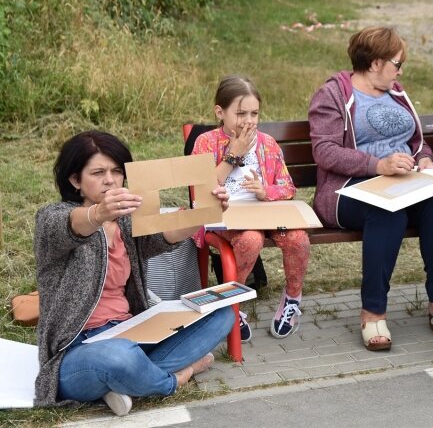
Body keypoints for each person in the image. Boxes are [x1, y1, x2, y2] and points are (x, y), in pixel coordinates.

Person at [34, 131, 234, 416]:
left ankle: (125, 383)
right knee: (119, 358)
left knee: (221, 313)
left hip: (133, 332)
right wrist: (99, 214)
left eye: (116, 172)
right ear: (75, 180)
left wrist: (205, 212)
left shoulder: (126, 222)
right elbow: (72, 225)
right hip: (78, 350)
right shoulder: (51, 219)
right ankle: (176, 377)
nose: (110, 180)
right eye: (98, 172)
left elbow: (165, 236)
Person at [308, 26, 433, 351]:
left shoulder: (396, 92)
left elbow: (416, 142)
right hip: (349, 190)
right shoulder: (332, 94)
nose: (400, 71)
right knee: (387, 212)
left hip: (402, 183)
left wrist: (426, 161)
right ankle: (373, 310)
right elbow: (326, 151)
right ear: (376, 63)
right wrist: (379, 166)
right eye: (397, 64)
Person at [193, 75, 311, 341]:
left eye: (254, 113)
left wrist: (266, 191)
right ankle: (232, 306)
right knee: (250, 239)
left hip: (265, 213)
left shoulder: (267, 143)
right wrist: (233, 153)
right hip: (226, 218)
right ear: (220, 112)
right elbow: (200, 192)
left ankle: (292, 299)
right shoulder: (206, 143)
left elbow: (288, 187)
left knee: (298, 239)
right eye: (241, 113)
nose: (249, 120)